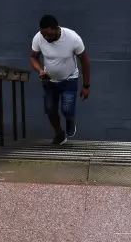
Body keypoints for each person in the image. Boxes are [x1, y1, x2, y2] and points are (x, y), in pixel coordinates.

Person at [30, 15, 90, 145]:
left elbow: (84, 61)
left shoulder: (73, 38)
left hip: (69, 79)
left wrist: (86, 85)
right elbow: (33, 57)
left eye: (48, 34)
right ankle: (59, 134)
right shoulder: (38, 38)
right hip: (49, 81)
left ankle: (69, 119)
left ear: (57, 29)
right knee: (50, 109)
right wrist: (40, 70)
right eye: (43, 34)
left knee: (67, 108)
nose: (46, 37)